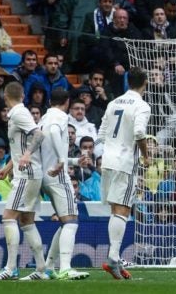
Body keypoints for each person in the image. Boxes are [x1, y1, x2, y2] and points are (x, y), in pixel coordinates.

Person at [0, 82, 47, 281]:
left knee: (8, 217)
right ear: (22, 96)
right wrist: (6, 169)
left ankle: (11, 268)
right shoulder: (18, 114)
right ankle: (41, 269)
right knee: (26, 221)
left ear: (6, 97)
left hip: (26, 175)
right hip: (28, 173)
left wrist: (28, 154)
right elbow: (20, 149)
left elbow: (39, 134)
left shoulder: (19, 114)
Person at [98, 67, 151, 280]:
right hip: (125, 161)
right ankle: (113, 258)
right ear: (145, 83)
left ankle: (114, 258)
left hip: (107, 160)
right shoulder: (142, 105)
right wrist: (146, 156)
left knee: (115, 210)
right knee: (123, 210)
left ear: (128, 81)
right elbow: (139, 132)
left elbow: (101, 133)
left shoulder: (113, 102)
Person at [38, 89, 90, 280]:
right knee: (72, 221)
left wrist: (73, 162)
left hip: (44, 175)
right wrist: (61, 160)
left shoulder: (44, 118)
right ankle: (66, 268)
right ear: (67, 102)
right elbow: (53, 134)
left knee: (64, 221)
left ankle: (50, 266)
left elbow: (46, 148)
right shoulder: (60, 117)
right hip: (58, 175)